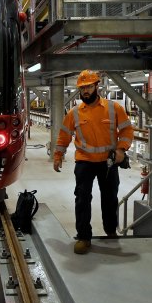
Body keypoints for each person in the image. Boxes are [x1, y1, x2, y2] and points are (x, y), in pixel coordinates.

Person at [53, 69, 133, 255]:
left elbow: (127, 131)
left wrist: (121, 149)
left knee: (110, 198)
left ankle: (111, 230)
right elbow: (64, 135)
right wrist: (58, 156)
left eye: (89, 86)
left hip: (108, 162)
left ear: (97, 86)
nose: (86, 91)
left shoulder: (114, 108)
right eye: (82, 88)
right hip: (85, 162)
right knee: (82, 199)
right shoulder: (74, 113)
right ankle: (83, 237)